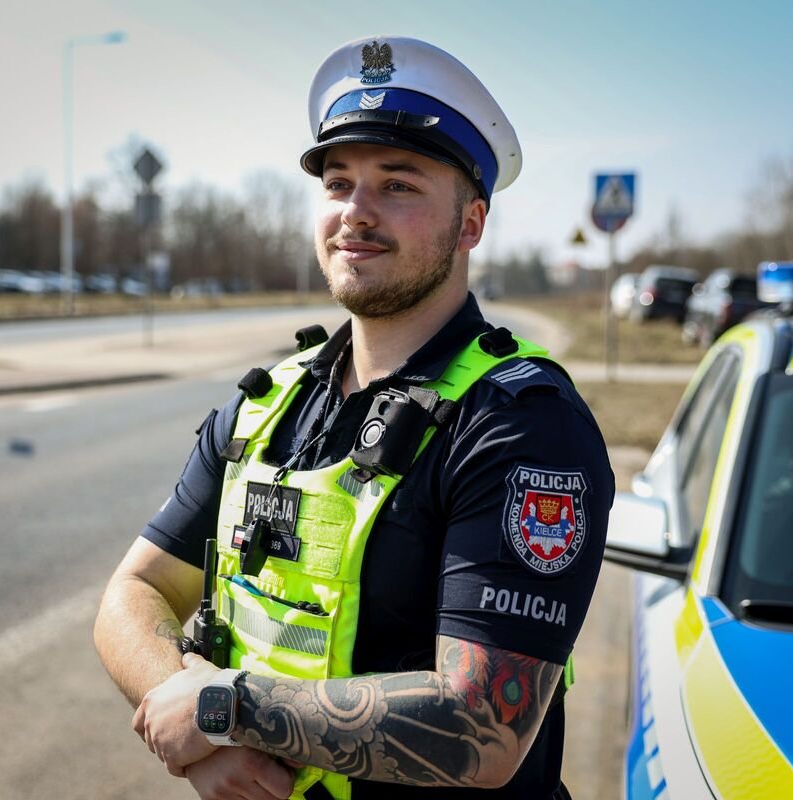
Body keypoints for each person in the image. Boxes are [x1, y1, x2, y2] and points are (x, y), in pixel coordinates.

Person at [95, 34, 613, 800]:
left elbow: (484, 726)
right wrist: (200, 735)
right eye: (339, 183)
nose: (356, 213)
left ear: (470, 224)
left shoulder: (522, 424)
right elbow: (133, 592)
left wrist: (223, 710)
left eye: (397, 185)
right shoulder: (268, 402)